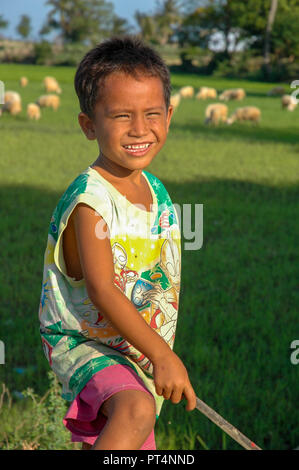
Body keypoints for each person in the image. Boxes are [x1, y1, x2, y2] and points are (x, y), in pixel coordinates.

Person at [38, 35, 196, 451]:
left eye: (152, 114)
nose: (140, 129)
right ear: (90, 125)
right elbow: (101, 287)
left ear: (170, 115)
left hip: (132, 346)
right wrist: (161, 354)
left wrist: (152, 352)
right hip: (85, 342)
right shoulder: (91, 201)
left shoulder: (155, 189)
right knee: (136, 411)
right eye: (121, 116)